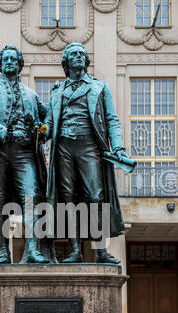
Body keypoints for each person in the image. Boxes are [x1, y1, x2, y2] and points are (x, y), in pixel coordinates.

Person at [44, 42, 132, 264]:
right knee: (68, 198)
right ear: (66, 61)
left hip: (89, 146)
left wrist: (118, 148)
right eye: (73, 54)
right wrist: (38, 132)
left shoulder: (99, 87)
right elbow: (49, 124)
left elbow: (112, 119)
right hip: (63, 146)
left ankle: (101, 250)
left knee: (95, 196)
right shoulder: (57, 91)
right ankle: (75, 250)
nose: (78, 57)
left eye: (82, 54)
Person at [0, 45, 49, 264]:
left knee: (31, 197)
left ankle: (34, 249)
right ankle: (3, 252)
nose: (9, 62)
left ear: (19, 65)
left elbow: (48, 120)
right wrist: (2, 131)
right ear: (0, 64)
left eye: (13, 59)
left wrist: (42, 132)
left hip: (25, 153)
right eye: (5, 59)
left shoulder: (31, 95)